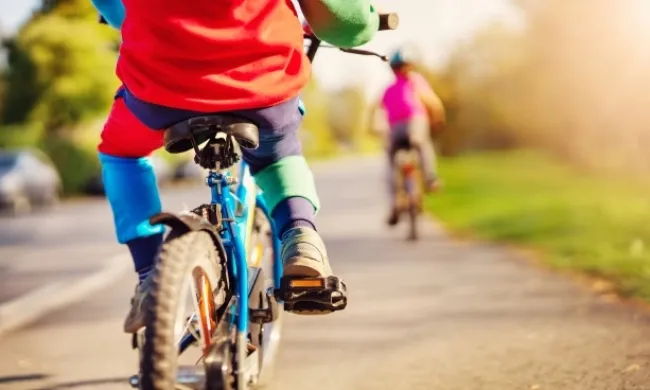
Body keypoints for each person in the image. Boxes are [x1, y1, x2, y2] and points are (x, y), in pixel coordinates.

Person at [90, 0, 382, 334]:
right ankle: (301, 238)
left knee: (121, 153)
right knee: (278, 155)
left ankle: (148, 276)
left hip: (160, 94)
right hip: (263, 89)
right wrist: (367, 22)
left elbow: (116, 11)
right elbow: (346, 23)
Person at [378, 47, 446, 226]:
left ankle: (395, 203)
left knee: (391, 160)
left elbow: (379, 111)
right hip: (415, 122)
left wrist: (376, 129)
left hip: (396, 128)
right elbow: (433, 101)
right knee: (421, 144)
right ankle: (430, 178)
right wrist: (439, 118)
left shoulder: (388, 89)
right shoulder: (416, 81)